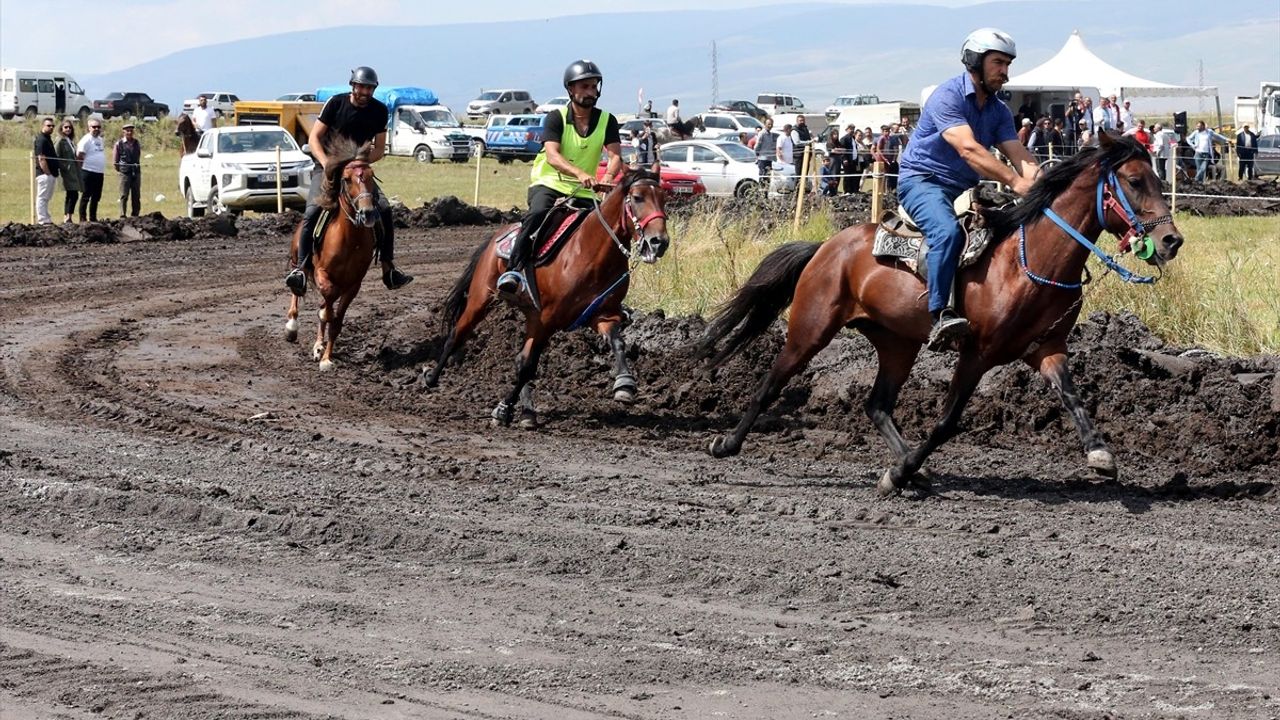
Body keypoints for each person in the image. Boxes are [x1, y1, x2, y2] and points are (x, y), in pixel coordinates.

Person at [896, 28, 1038, 351]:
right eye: (998, 63)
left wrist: (1040, 182)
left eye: (1008, 64)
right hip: (923, 181)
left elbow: (1019, 155)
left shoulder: (1000, 111)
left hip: (964, 187)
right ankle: (940, 315)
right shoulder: (946, 97)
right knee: (947, 233)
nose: (1005, 72)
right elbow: (969, 150)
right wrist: (1016, 183)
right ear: (975, 61)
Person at [495, 60, 623, 307]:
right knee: (538, 215)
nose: (591, 91)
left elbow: (615, 156)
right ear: (571, 90)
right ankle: (513, 270)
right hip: (550, 181)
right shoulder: (555, 118)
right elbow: (553, 156)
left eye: (594, 86)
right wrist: (580, 174)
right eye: (585, 86)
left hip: (587, 188)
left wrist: (608, 176)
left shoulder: (608, 120)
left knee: (602, 229)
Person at [285, 66, 412, 295]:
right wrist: (326, 163)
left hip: (358, 171)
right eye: (361, 87)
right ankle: (301, 270)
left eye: (369, 88)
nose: (365, 92)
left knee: (383, 208)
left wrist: (360, 163)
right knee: (312, 212)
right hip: (328, 169)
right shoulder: (335, 103)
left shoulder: (379, 111)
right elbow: (315, 138)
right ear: (352, 86)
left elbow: (380, 149)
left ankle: (388, 268)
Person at [76, 118, 106, 221]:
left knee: (96, 197)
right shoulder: (86, 140)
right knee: (86, 196)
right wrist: (81, 171)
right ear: (89, 128)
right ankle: (83, 219)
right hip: (88, 171)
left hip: (99, 172)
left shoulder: (100, 140)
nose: (96, 129)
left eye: (98, 127)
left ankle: (93, 217)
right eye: (94, 127)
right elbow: (79, 155)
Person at [55, 118, 83, 224]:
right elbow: (56, 156)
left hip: (74, 172)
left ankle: (69, 216)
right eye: (65, 127)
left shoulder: (70, 141)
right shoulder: (60, 141)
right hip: (67, 172)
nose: (68, 129)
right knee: (72, 193)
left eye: (70, 127)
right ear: (61, 128)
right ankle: (67, 216)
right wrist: (65, 167)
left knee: (73, 194)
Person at [33, 117, 60, 225]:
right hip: (44, 174)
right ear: (43, 126)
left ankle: (46, 218)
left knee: (46, 198)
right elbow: (41, 157)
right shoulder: (41, 139)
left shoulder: (47, 138)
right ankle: (42, 220)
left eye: (53, 126)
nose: (51, 127)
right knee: (42, 197)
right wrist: (47, 172)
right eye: (49, 125)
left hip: (51, 173)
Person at [113, 122, 142, 217]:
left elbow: (138, 155)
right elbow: (115, 161)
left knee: (136, 195)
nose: (129, 132)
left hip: (136, 172)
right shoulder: (119, 144)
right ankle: (122, 215)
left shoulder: (136, 143)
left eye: (131, 130)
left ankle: (135, 215)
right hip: (124, 172)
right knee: (124, 195)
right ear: (123, 132)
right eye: (127, 131)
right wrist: (122, 169)